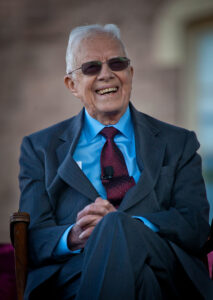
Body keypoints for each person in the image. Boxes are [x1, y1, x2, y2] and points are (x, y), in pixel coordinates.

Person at [19, 24, 213, 300]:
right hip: (78, 275)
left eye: (117, 63)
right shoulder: (39, 149)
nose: (106, 74)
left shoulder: (178, 142)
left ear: (130, 74)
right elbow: (33, 238)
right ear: (72, 85)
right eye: (91, 67)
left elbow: (194, 225)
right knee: (141, 283)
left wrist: (126, 225)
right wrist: (74, 236)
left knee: (114, 226)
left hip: (165, 265)